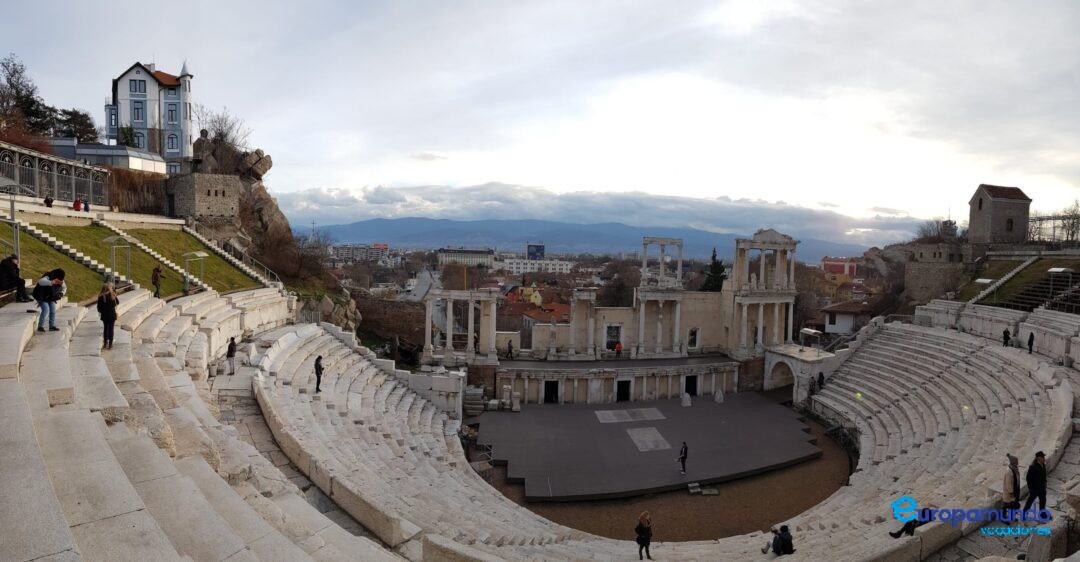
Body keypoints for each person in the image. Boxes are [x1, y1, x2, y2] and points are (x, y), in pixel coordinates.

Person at [1023, 451, 1048, 517]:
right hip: (1035, 489)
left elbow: (1044, 475)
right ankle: (1024, 514)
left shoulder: (1043, 465)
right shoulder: (1033, 467)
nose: (1044, 458)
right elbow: (1028, 478)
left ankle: (1042, 514)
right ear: (1038, 458)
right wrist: (1031, 489)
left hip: (1042, 488)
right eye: (1043, 457)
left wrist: (1045, 482)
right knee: (1029, 502)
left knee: (1043, 501)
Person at [96, 282, 119, 349]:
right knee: (111, 329)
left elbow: (99, 308)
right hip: (112, 315)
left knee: (105, 328)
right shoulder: (112, 295)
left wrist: (102, 312)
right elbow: (117, 302)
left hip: (104, 315)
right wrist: (114, 293)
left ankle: (105, 343)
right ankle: (110, 344)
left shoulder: (100, 296)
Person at [1002, 453, 1021, 524]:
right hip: (1009, 492)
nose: (1017, 463)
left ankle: (1012, 517)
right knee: (1005, 505)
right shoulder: (1009, 471)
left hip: (1015, 490)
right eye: (1016, 461)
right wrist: (1011, 493)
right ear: (1013, 462)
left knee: (1013, 504)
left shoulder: (1015, 468)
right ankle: (1003, 518)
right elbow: (1008, 484)